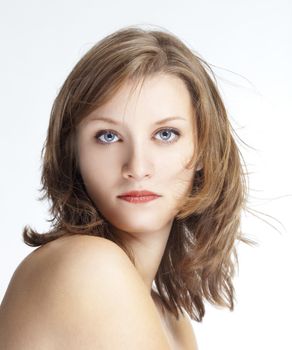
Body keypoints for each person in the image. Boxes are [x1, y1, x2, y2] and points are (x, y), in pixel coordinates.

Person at [0, 25, 253, 349]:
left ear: (203, 149)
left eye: (165, 134)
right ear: (73, 151)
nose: (136, 167)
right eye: (108, 136)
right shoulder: (88, 266)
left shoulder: (169, 316)